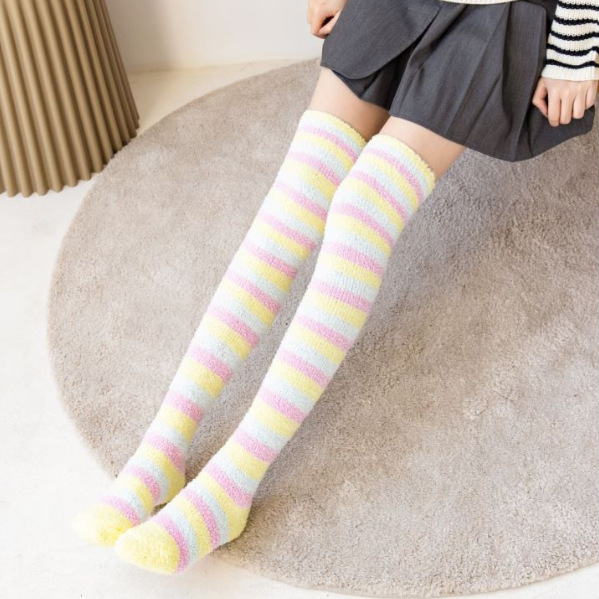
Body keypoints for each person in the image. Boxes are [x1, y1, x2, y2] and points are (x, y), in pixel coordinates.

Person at [73, 0, 598, 574]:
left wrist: (577, 48)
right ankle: (163, 446)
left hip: (498, 14)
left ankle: (233, 481)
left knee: (364, 207)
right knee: (298, 194)